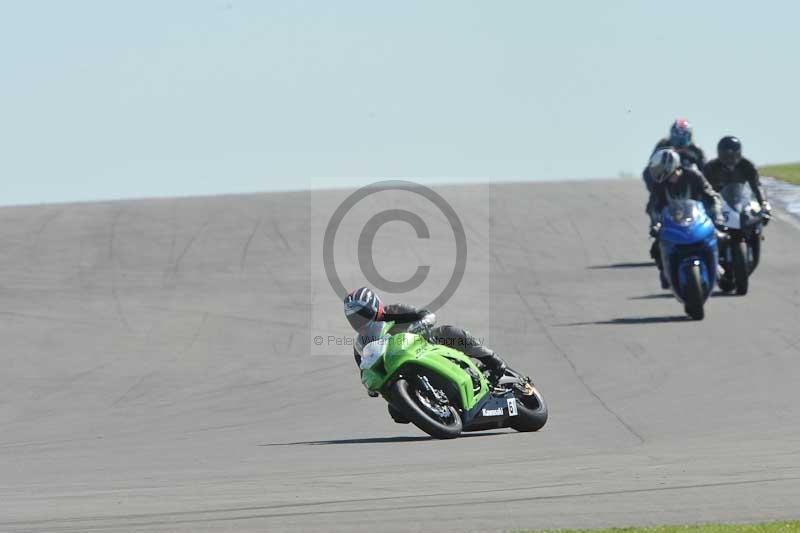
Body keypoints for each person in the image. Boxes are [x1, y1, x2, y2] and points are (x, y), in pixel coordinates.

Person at [343, 287, 508, 405]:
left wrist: (420, 324)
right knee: (396, 411)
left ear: (374, 307)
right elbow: (364, 370)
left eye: (361, 315)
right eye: (353, 318)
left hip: (427, 347)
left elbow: (428, 315)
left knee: (449, 332)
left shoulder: (395, 310)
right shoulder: (361, 343)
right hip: (399, 368)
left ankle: (492, 360)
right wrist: (371, 387)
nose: (358, 321)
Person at [646, 148, 724, 288]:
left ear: (671, 164)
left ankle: (717, 263)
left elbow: (712, 196)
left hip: (699, 220)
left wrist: (717, 216)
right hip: (673, 224)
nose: (657, 172)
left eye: (660, 168)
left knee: (721, 237)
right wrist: (655, 224)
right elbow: (652, 206)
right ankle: (666, 271)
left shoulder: (693, 176)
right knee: (656, 247)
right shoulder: (659, 185)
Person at [703, 136, 771, 216]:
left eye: (732, 155)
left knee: (761, 215)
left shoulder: (748, 166)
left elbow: (757, 186)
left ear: (739, 153)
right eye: (725, 155)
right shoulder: (710, 167)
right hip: (717, 203)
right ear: (719, 154)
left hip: (743, 201)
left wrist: (764, 203)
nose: (729, 159)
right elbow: (703, 188)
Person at [642, 118, 707, 192]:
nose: (679, 142)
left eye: (683, 139)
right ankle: (656, 195)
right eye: (676, 137)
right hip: (665, 182)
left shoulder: (696, 150)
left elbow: (705, 170)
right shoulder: (662, 145)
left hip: (690, 186)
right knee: (647, 172)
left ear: (689, 137)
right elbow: (652, 164)